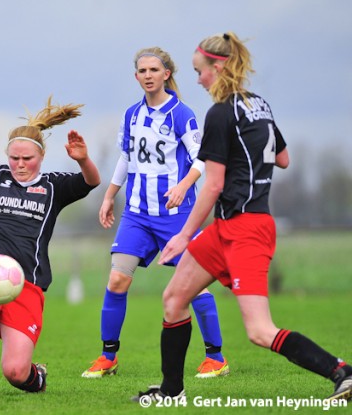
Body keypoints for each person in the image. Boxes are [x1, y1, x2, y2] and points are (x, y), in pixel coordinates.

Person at [133, 32, 352, 403]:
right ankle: (171, 391)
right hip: (226, 228)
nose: (198, 80)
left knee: (259, 330)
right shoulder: (259, 104)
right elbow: (283, 159)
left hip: (247, 230)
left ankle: (342, 372)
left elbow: (212, 184)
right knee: (174, 298)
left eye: (200, 72)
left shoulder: (220, 113)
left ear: (217, 67)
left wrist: (185, 234)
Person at [82, 47, 228, 379]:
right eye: (142, 71)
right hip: (136, 213)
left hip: (176, 215)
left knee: (195, 286)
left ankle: (216, 358)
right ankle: (108, 357)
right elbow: (125, 159)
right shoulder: (132, 115)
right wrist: (108, 196)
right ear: (137, 77)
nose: (148, 75)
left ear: (166, 74)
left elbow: (202, 158)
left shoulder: (182, 113)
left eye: (154, 70)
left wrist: (182, 186)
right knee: (117, 279)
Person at [0, 97, 100, 392]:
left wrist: (82, 159)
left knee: (15, 371)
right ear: (7, 156)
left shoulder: (54, 186)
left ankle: (36, 377)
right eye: (14, 158)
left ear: (41, 157)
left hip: (28, 282)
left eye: (27, 159)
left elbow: (91, 182)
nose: (20, 164)